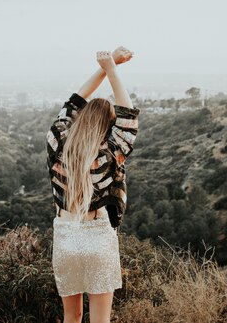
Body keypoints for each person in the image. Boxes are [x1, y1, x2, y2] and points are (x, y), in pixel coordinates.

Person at [46, 47, 141, 323]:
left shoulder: (58, 141)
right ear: (108, 127)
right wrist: (112, 69)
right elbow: (129, 119)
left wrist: (105, 66)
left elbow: (73, 101)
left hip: (65, 236)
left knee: (71, 317)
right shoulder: (110, 153)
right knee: (101, 320)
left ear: (82, 118)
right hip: (98, 236)